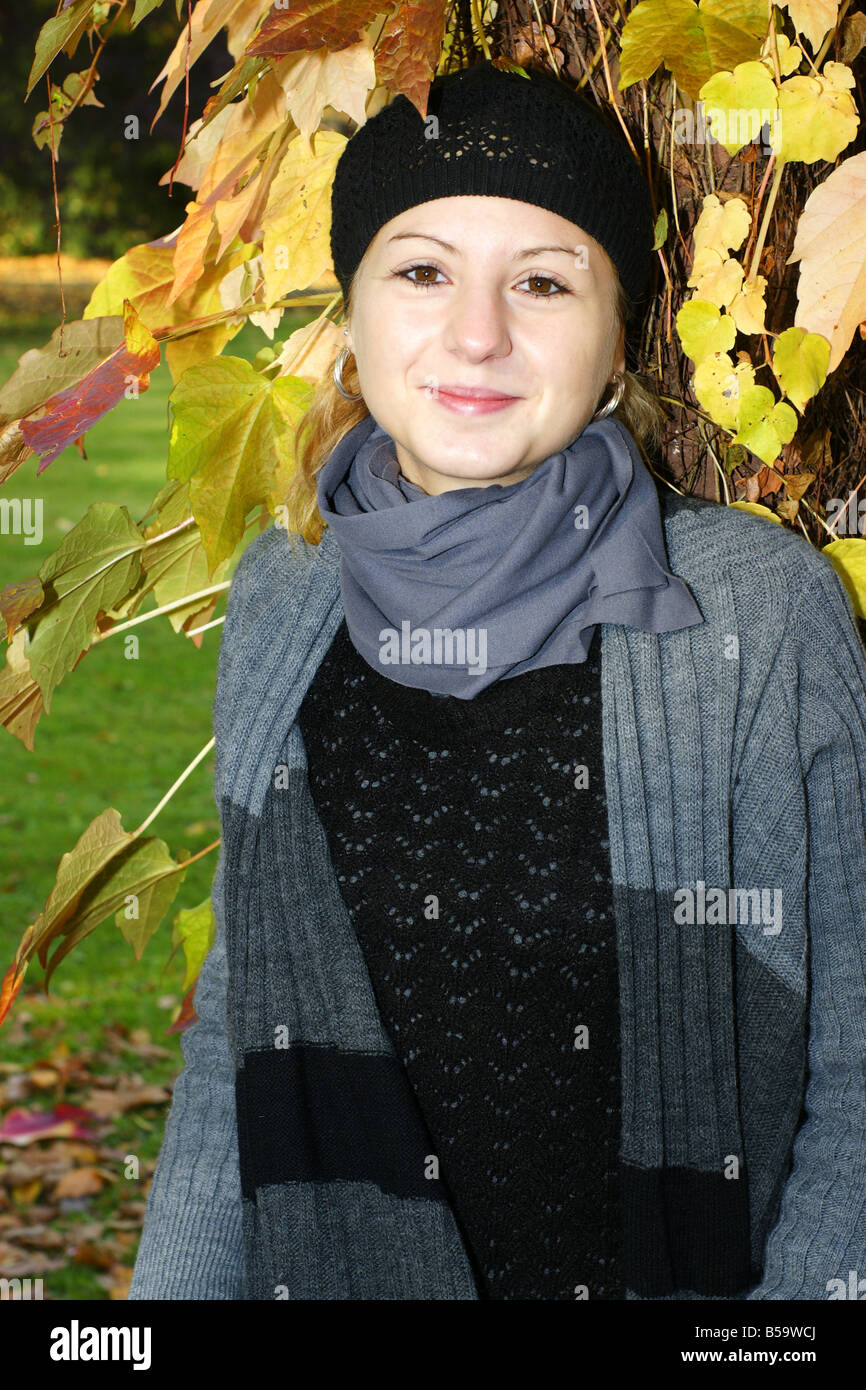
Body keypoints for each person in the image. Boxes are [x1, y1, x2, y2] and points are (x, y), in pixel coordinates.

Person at [129, 60, 866, 1301]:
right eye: (420, 271)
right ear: (351, 318)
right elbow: (236, 1069)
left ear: (616, 333)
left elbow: (852, 1083)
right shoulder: (280, 601)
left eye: (541, 281)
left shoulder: (749, 621)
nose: (477, 334)